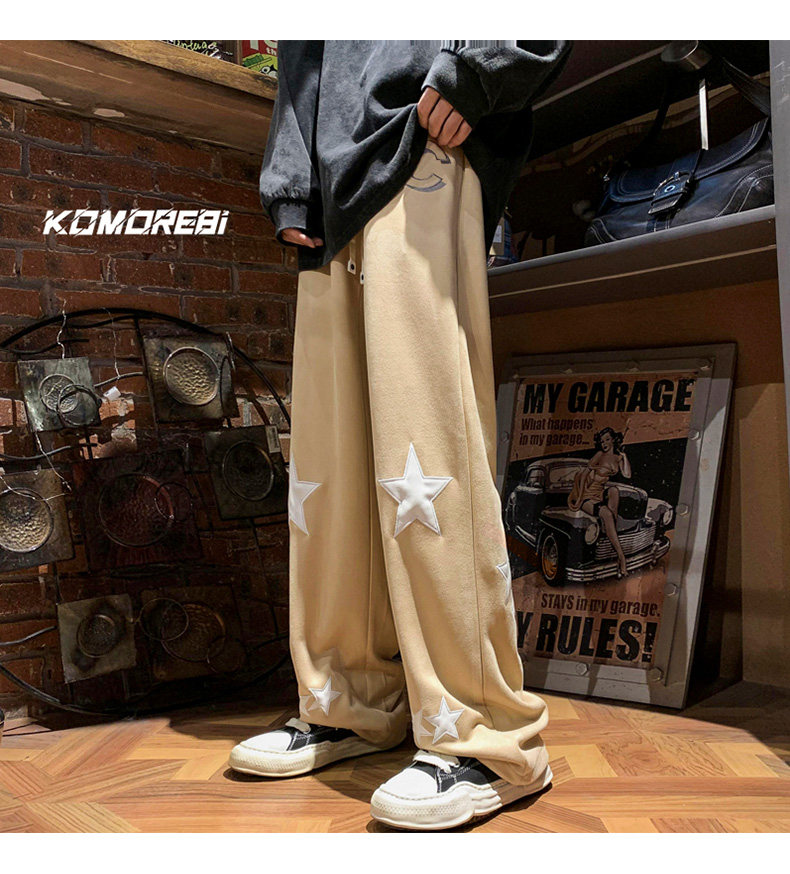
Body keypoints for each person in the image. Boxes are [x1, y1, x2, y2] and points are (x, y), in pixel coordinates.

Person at [229, 39, 571, 831]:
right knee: (332, 471)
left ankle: (486, 735)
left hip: (425, 133)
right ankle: (350, 701)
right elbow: (304, 49)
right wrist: (292, 183)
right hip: (333, 173)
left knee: (432, 448)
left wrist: (480, 68)